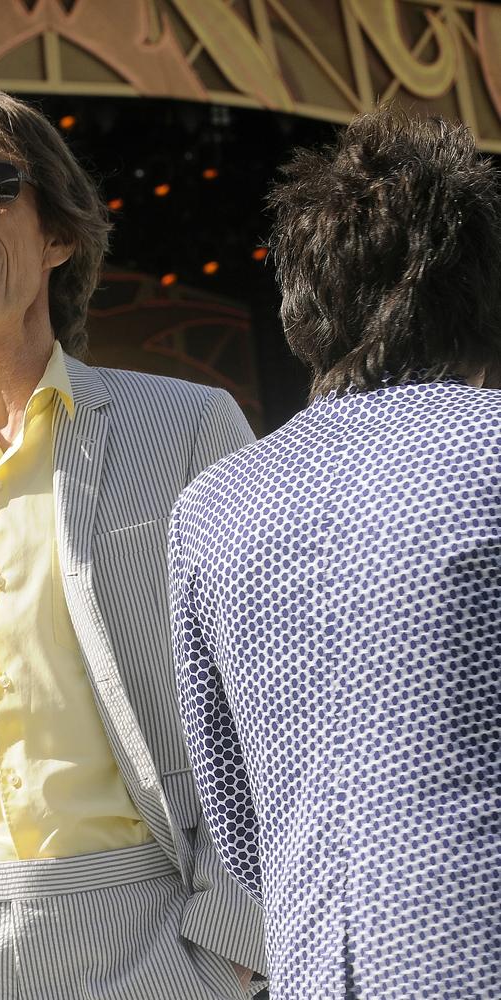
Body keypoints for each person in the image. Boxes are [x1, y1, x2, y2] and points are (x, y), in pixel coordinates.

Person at [0, 86, 266, 999]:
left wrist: (228, 952)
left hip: (155, 946)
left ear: (59, 237)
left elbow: (265, 705)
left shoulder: (190, 428)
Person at [169, 107, 501, 1000]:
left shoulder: (210, 510)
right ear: (477, 290)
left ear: (303, 305)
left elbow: (239, 829)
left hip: (321, 963)